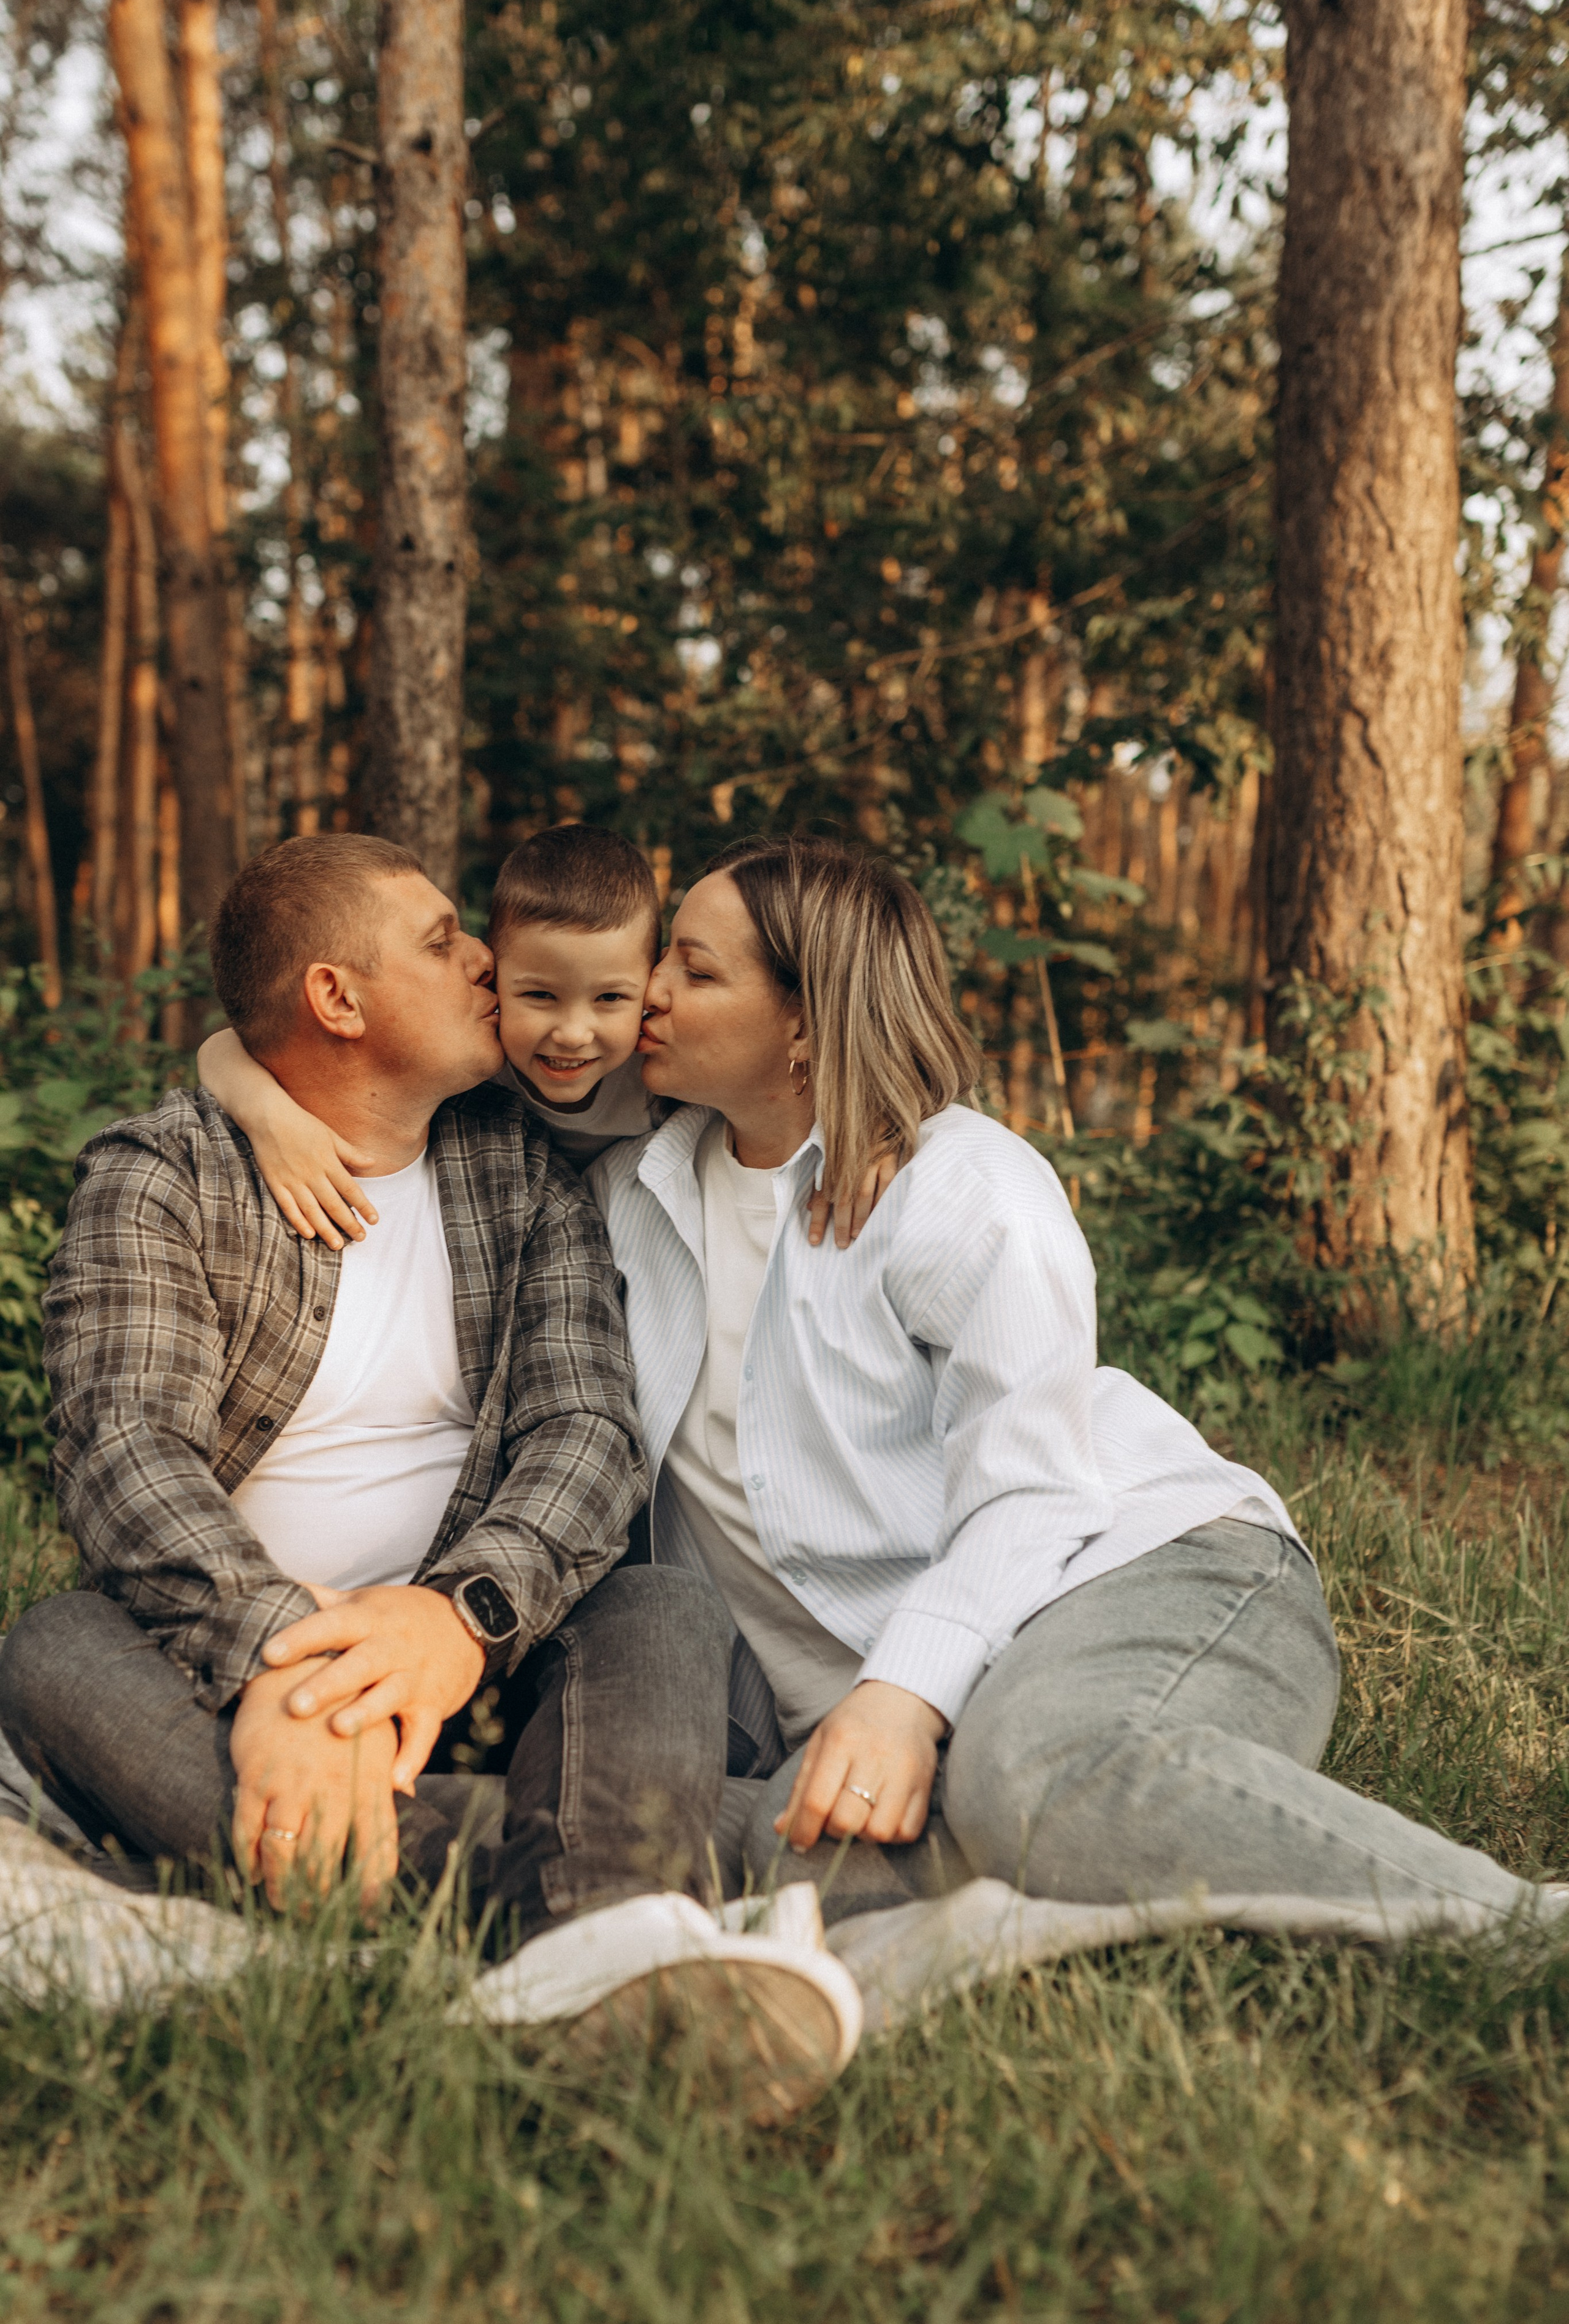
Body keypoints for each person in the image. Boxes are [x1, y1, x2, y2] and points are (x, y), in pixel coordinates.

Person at [0, 833, 861, 2106]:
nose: (482, 963)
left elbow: (588, 1432)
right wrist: (287, 1672)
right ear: (337, 1000)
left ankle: (530, 1923)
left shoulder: (518, 1166)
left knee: (659, 1603)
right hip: (233, 1672)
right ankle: (600, 1913)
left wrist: (455, 1617)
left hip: (494, 1660)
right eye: (442, 940)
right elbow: (126, 1449)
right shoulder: (165, 1175)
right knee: (55, 1651)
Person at [583, 835, 1562, 1931]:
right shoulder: (633, 1192)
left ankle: (1518, 1929)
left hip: (1141, 1567)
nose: (647, 990)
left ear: (806, 1023)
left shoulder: (963, 1191)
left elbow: (1034, 1490)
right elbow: (505, 1050)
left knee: (1029, 1780)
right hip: (914, 1693)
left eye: (695, 970)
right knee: (716, 1849)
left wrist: (906, 1694)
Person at [197, 823, 889, 1250]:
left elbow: (803, 1054)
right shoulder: (477, 1052)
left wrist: (877, 1125)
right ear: (492, 975)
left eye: (612, 998)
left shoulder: (657, 1063)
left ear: (647, 985)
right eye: (537, 996)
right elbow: (231, 1041)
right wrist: (270, 1117)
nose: (573, 1033)